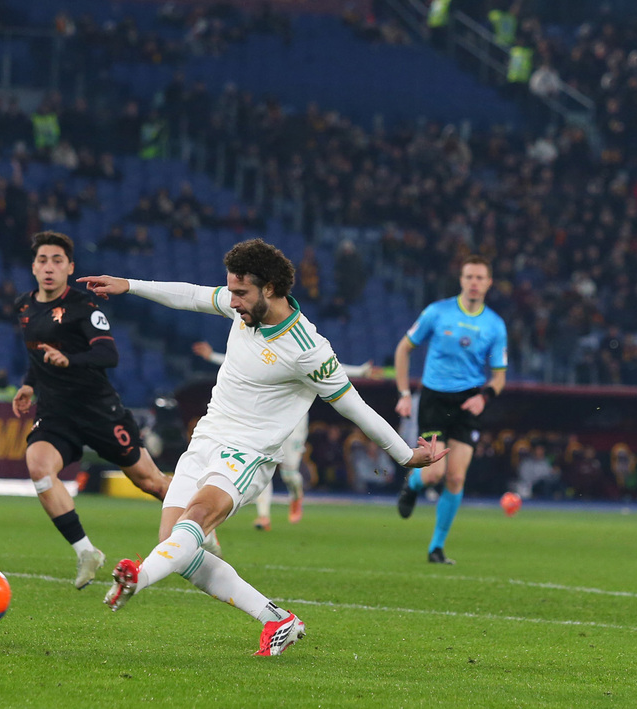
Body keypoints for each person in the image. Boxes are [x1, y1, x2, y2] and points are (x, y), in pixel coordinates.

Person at [79, 239, 444, 657]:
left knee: (196, 519)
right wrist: (130, 284)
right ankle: (277, 620)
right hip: (207, 438)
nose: (231, 302)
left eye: (239, 293)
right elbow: (194, 296)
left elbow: (355, 407)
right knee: (175, 547)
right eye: (230, 291)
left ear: (269, 288)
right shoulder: (243, 308)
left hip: (249, 453)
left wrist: (404, 455)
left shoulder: (309, 350)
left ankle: (136, 579)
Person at [11, 231, 187, 591]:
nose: (49, 267)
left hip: (98, 410)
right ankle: (86, 551)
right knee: (39, 468)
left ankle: (199, 525)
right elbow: (37, 353)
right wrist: (29, 384)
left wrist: (69, 360)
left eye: (57, 261)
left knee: (150, 482)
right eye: (42, 260)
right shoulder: (25, 307)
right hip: (56, 414)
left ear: (70, 267)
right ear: (33, 266)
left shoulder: (84, 308)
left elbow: (109, 354)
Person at [394, 255, 507, 565]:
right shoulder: (437, 312)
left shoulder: (495, 325)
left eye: (480, 278)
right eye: (469, 276)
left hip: (468, 401)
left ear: (488, 283)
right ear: (461, 280)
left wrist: (484, 397)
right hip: (434, 399)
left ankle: (436, 548)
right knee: (434, 474)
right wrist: (404, 392)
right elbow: (404, 349)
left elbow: (499, 376)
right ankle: (413, 484)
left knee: (456, 478)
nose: (474, 283)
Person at [193, 341, 376, 529]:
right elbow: (239, 360)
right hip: (268, 422)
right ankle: (264, 517)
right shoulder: (272, 356)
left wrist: (361, 372)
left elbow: (334, 369)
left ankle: (296, 496)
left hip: (295, 426)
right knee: (261, 466)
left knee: (289, 474)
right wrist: (212, 356)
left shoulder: (307, 357)